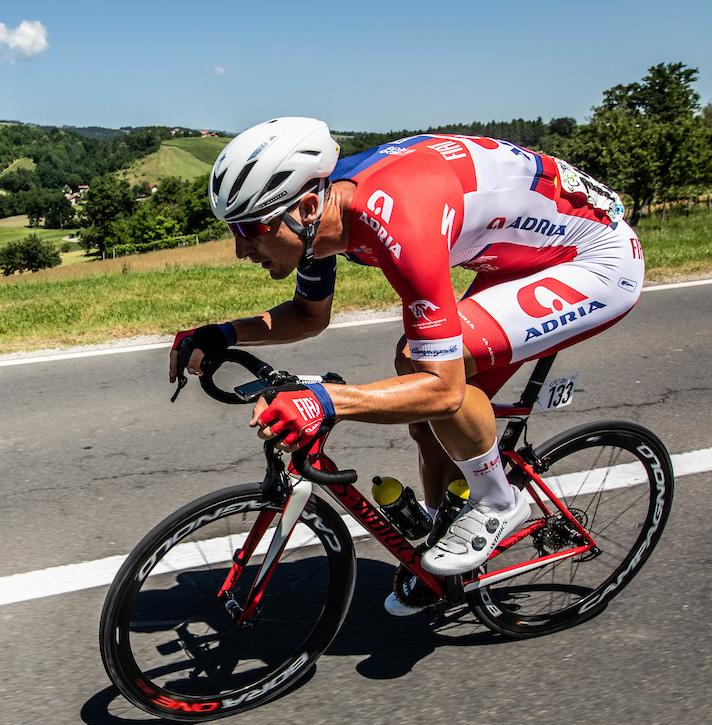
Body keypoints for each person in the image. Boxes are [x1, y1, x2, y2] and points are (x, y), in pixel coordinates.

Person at [170, 117, 643, 614]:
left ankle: (500, 502)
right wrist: (221, 333)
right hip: (512, 257)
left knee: (426, 369)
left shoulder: (397, 219)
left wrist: (326, 401)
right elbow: (310, 316)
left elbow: (443, 389)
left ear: (307, 207)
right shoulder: (320, 214)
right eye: (234, 231)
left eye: (251, 231)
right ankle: (444, 538)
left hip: (593, 261)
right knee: (425, 421)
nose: (242, 251)